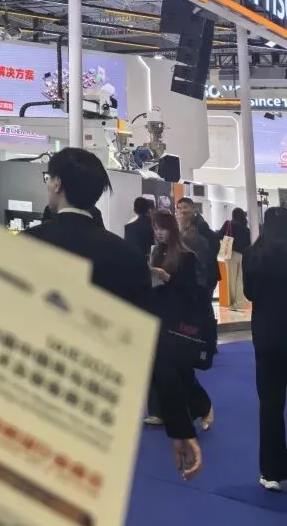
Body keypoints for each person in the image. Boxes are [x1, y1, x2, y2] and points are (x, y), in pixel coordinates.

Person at [25, 148, 201, 479]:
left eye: (48, 178)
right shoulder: (126, 255)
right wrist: (179, 426)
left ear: (57, 184)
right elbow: (153, 343)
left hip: (31, 391)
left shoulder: (25, 245)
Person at [146, 209, 214, 431]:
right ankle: (159, 410)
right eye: (156, 228)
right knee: (156, 366)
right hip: (157, 313)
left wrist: (167, 277)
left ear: (171, 230)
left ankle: (203, 406)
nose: (159, 233)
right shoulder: (156, 253)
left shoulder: (186, 256)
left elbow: (191, 289)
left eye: (162, 229)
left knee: (179, 367)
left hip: (178, 318)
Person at [243, 207, 287, 490]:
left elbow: (249, 293)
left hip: (267, 336)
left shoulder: (253, 254)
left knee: (270, 404)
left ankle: (272, 471)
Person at [220, 207, 251, 312]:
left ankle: (232, 302)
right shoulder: (246, 229)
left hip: (231, 253)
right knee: (240, 280)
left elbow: (219, 235)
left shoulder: (229, 224)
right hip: (243, 255)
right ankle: (239, 302)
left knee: (231, 278)